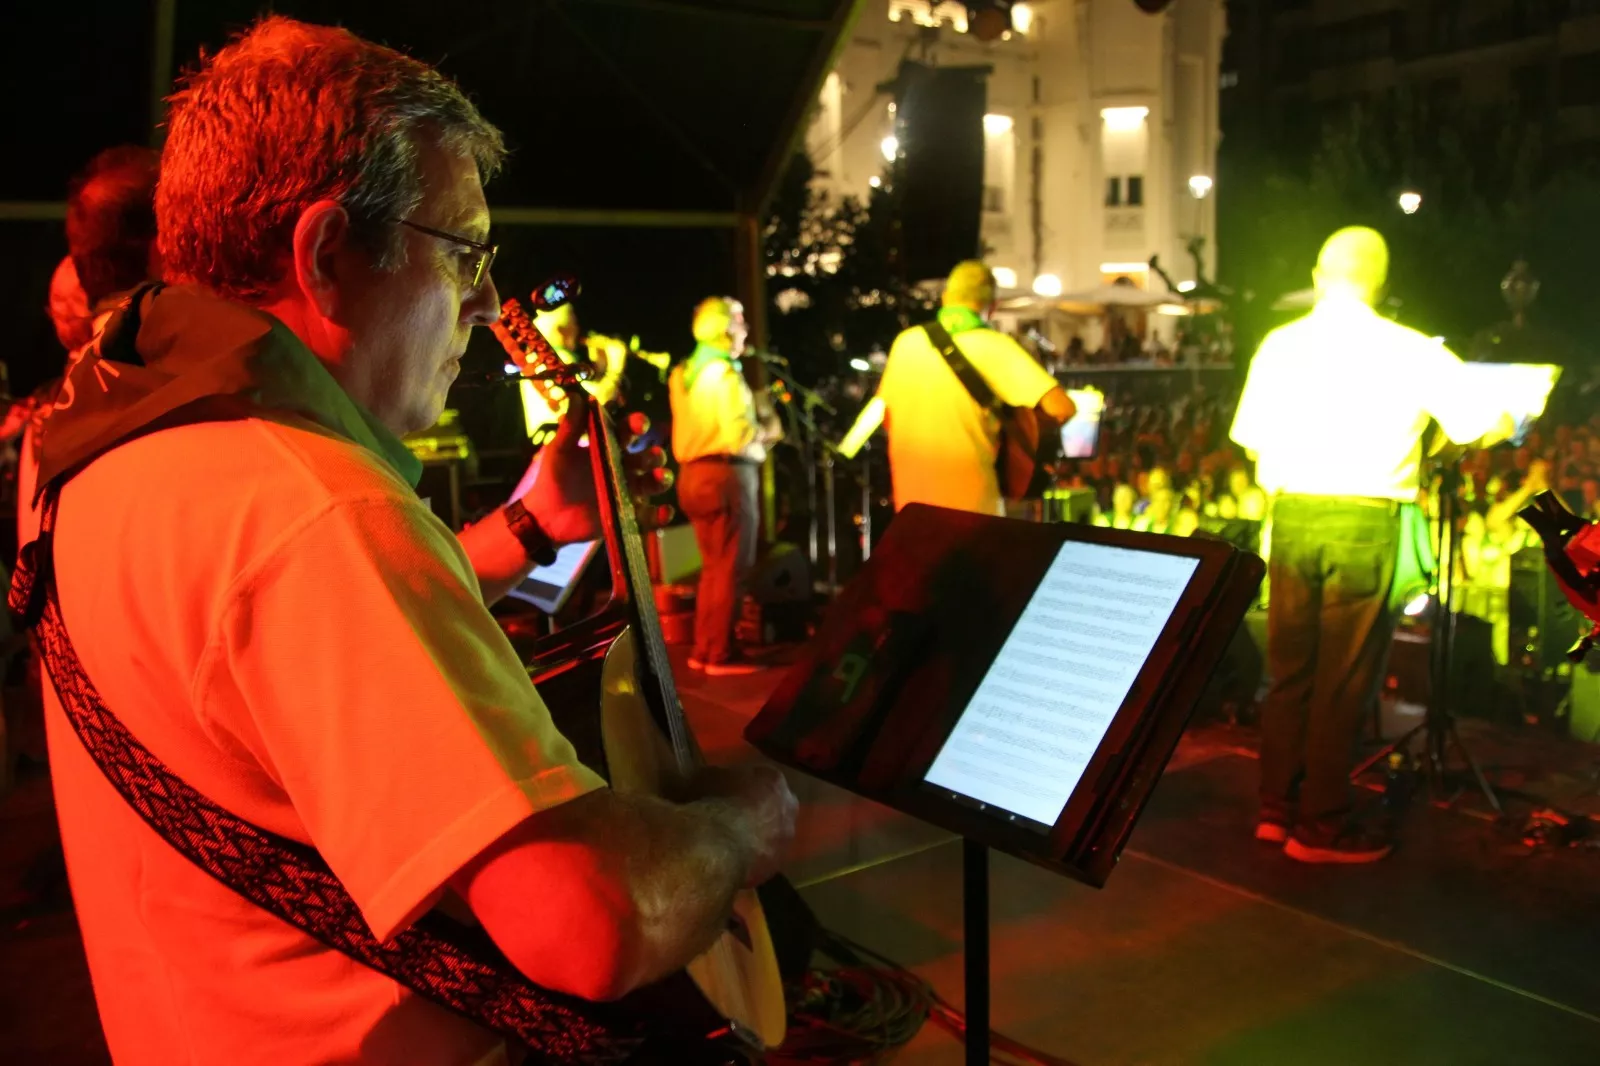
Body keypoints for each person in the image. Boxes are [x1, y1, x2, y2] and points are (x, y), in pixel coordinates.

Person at [30, 18, 796, 1065]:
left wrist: (526, 524)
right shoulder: (311, 504)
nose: (483, 303)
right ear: (326, 256)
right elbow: (590, 921)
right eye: (464, 251)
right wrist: (742, 830)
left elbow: (273, 652)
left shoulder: (109, 442)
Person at [1230, 226, 1513, 864]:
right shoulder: (1412, 349)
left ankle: (1276, 809)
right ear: (1382, 283)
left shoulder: (1279, 344)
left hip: (1293, 515)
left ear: (1317, 275)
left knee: (1290, 674)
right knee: (1343, 679)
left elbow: (1250, 441)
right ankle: (1321, 826)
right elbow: (1485, 422)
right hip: (1363, 518)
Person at [836, 261, 1076, 515]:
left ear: (945, 298)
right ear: (992, 307)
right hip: (973, 510)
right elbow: (1062, 408)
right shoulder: (995, 346)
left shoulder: (906, 343)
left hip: (912, 511)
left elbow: (885, 416)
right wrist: (1013, 433)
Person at [669, 296, 780, 675]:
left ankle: (705, 649)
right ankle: (719, 654)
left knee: (713, 568)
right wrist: (768, 429)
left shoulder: (685, 372)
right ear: (724, 329)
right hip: (725, 476)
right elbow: (739, 436)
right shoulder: (725, 373)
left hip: (693, 476)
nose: (745, 329)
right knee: (731, 567)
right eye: (739, 321)